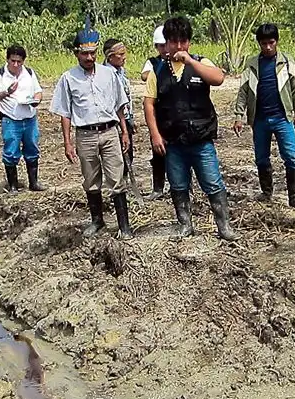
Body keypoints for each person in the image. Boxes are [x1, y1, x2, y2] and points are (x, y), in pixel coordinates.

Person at [143, 16, 240, 241]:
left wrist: (190, 62)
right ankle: (185, 225)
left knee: (213, 182)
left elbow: (218, 78)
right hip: (173, 142)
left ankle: (224, 227)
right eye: (174, 41)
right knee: (178, 184)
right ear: (166, 43)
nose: (179, 46)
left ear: (189, 42)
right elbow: (148, 104)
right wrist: (155, 134)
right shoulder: (158, 70)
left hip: (201, 139)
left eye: (183, 41)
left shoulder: (201, 63)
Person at [50, 19, 133, 239]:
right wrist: (67, 142)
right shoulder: (68, 78)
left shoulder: (109, 74)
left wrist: (124, 131)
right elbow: (65, 112)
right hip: (85, 134)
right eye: (84, 54)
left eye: (93, 53)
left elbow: (119, 104)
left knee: (117, 178)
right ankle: (97, 221)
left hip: (110, 132)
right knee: (90, 179)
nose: (89, 58)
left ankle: (124, 226)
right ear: (76, 54)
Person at [233, 23, 295, 207]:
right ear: (259, 43)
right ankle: (266, 192)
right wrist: (239, 116)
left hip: (283, 117)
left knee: (291, 156)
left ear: (277, 41)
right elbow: (243, 91)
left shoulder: (287, 62)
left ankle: (294, 196)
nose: (267, 47)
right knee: (261, 158)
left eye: (271, 43)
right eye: (264, 43)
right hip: (259, 119)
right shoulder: (251, 64)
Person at [0, 44, 45, 193]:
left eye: (19, 62)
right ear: (7, 59)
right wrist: (7, 92)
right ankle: (13, 185)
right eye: (12, 61)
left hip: (29, 118)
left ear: (23, 61)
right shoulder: (0, 74)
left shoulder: (29, 73)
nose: (15, 65)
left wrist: (36, 100)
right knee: (11, 151)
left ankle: (34, 183)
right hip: (10, 119)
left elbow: (38, 92)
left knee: (32, 149)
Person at [141, 25, 168, 200]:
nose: (164, 49)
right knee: (158, 152)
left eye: (166, 45)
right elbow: (144, 75)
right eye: (161, 46)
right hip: (159, 113)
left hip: (175, 113)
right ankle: (158, 188)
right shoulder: (153, 63)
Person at [102, 38, 135, 182]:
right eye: (120, 54)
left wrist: (130, 118)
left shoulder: (121, 71)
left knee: (128, 152)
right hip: (115, 121)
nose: (124, 57)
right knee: (118, 156)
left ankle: (125, 182)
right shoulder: (106, 74)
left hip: (125, 118)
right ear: (110, 57)